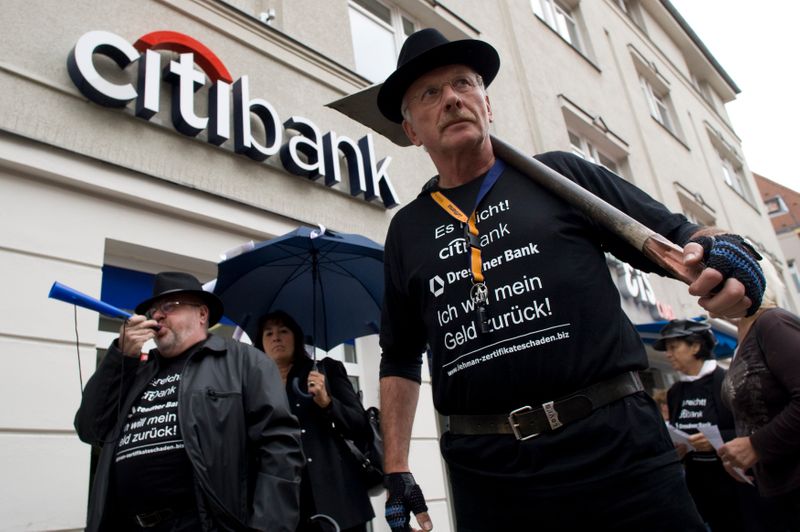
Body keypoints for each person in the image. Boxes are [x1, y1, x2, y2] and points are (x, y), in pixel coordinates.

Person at [374, 28, 766, 532]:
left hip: (619, 454)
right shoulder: (407, 230)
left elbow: (679, 236)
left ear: (487, 106)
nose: (452, 99)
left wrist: (723, 252)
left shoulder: (560, 177)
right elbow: (400, 358)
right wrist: (397, 465)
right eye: (430, 93)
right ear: (411, 131)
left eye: (464, 84)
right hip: (492, 477)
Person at [74, 272, 304, 531]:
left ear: (202, 314)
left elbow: (279, 448)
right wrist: (120, 356)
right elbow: (90, 429)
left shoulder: (245, 362)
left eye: (169, 307)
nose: (157, 316)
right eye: (153, 311)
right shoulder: (136, 371)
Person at [255, 310, 375, 532]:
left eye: (283, 331)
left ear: (296, 337)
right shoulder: (256, 386)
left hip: (338, 500)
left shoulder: (324, 370)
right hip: (285, 503)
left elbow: (360, 425)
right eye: (268, 333)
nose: (276, 338)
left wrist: (327, 402)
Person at [720, 261, 800, 531]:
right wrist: (742, 455)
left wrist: (756, 445)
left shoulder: (772, 322)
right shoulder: (743, 336)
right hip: (774, 487)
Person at [656, 319, 747, 531]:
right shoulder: (675, 391)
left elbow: (751, 429)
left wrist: (718, 440)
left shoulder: (726, 380)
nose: (668, 354)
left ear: (695, 346)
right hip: (700, 487)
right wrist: (678, 448)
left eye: (673, 347)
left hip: (734, 485)